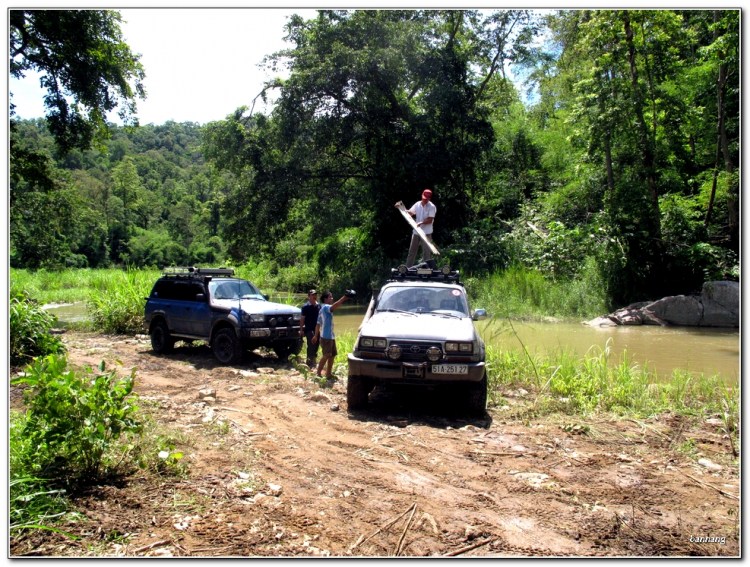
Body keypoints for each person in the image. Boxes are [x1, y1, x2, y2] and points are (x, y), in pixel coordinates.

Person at [312, 290, 350, 379]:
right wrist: (344, 298)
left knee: (332, 355)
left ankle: (328, 374)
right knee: (327, 355)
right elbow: (335, 306)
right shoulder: (325, 308)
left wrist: (316, 336)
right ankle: (318, 373)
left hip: (330, 336)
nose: (332, 298)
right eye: (330, 297)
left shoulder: (321, 309)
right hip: (326, 337)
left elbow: (318, 324)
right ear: (326, 299)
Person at [397, 188, 437, 267]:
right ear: (422, 196)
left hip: (426, 233)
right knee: (412, 252)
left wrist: (421, 223)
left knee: (426, 253)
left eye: (427, 199)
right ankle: (407, 269)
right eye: (424, 198)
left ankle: (426, 270)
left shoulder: (432, 207)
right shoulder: (417, 204)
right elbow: (410, 213)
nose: (425, 200)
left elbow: (430, 220)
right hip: (416, 231)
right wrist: (400, 208)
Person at [299, 289, 321, 367]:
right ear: (309, 297)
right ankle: (309, 361)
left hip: (317, 328)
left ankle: (314, 359)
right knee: (311, 344)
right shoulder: (305, 307)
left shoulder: (318, 305)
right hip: (309, 328)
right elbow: (302, 319)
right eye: (312, 295)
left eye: (315, 295)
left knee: (317, 343)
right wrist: (301, 329)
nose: (314, 296)